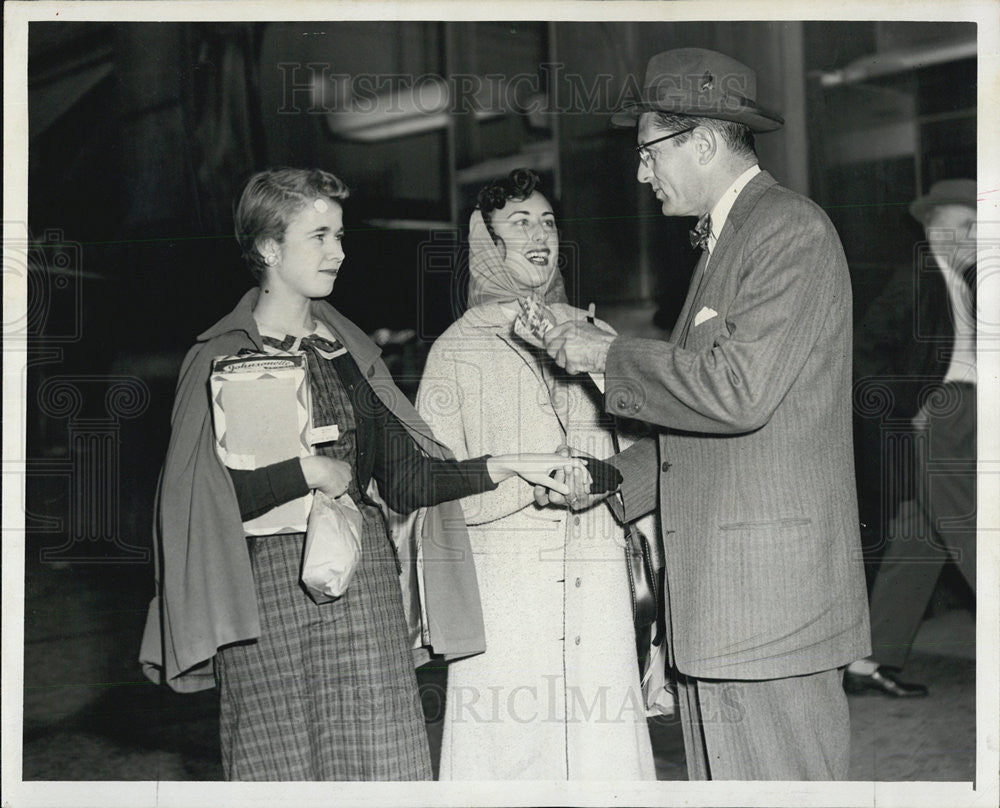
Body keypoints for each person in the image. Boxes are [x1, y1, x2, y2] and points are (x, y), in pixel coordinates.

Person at [138, 167, 584, 781]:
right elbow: (195, 508)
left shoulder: (347, 351)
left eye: (340, 235)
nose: (339, 252)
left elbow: (404, 479)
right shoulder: (217, 358)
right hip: (265, 601)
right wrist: (306, 470)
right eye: (319, 236)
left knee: (387, 767)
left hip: (365, 592)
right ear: (269, 248)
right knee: (279, 770)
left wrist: (508, 465)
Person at [538, 48, 871, 780]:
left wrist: (606, 355)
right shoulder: (731, 242)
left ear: (704, 141)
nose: (639, 172)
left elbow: (737, 392)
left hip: (767, 604)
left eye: (649, 151)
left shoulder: (789, 230)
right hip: (728, 606)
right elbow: (715, 427)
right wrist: (610, 480)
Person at [416, 168, 657, 780]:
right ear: (488, 248)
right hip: (507, 588)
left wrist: (605, 477)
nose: (539, 234)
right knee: (511, 755)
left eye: (547, 221)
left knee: (602, 754)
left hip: (597, 574)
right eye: (519, 223)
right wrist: (530, 484)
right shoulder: (454, 351)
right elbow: (430, 491)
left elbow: (643, 449)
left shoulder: (595, 334)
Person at [845, 179, 977, 697]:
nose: (978, 236)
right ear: (935, 228)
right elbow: (864, 355)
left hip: (969, 412)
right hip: (945, 414)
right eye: (968, 226)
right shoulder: (915, 279)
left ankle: (867, 661)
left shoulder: (963, 281)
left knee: (920, 537)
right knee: (975, 530)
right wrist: (913, 404)